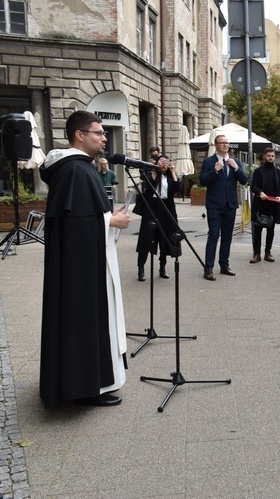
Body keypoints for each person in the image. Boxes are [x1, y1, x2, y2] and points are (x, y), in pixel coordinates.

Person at [39, 110, 130, 408]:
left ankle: (86, 383)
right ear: (79, 135)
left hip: (81, 262)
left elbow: (79, 216)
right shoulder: (76, 170)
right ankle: (84, 387)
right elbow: (75, 225)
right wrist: (109, 223)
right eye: (98, 132)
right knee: (83, 317)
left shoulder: (77, 168)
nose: (105, 138)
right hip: (80, 268)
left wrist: (105, 218)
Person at [199, 134, 248, 280]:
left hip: (230, 205)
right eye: (222, 143)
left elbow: (244, 180)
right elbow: (202, 181)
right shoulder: (209, 161)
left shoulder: (235, 161)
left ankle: (224, 265)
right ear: (216, 145)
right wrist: (215, 170)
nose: (225, 145)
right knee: (214, 235)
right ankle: (208, 268)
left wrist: (236, 168)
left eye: (227, 143)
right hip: (214, 205)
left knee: (227, 237)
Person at [135, 155, 180, 281]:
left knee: (164, 239)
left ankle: (162, 267)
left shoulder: (170, 177)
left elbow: (177, 189)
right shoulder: (151, 173)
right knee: (146, 238)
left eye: (166, 162)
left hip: (167, 209)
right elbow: (149, 184)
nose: (164, 164)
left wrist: (172, 171)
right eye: (162, 161)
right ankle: (141, 268)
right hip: (152, 208)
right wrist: (156, 168)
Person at [250, 147, 280, 263]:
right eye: (268, 155)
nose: (270, 158)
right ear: (264, 156)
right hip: (260, 204)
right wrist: (260, 192)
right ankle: (256, 254)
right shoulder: (258, 171)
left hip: (273, 205)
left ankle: (268, 252)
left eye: (272, 156)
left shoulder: (278, 172)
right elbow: (253, 186)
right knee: (257, 229)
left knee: (271, 229)